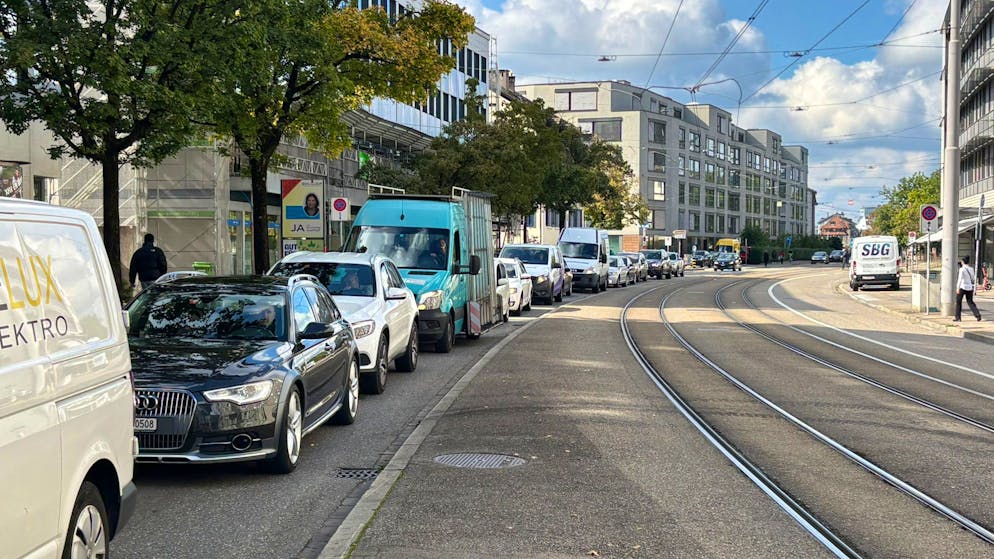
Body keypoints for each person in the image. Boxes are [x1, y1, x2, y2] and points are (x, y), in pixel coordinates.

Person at [955, 255, 982, 322]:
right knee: (970, 302)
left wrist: (957, 288)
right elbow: (973, 278)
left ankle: (958, 318)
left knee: (958, 302)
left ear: (963, 262)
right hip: (969, 287)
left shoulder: (962, 269)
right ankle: (977, 315)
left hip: (962, 287)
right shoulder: (971, 269)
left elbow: (959, 279)